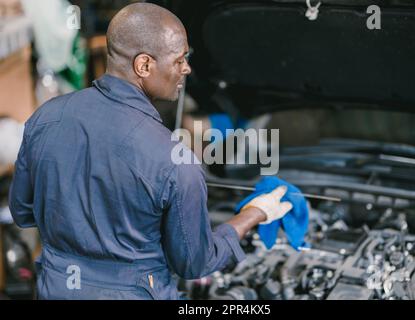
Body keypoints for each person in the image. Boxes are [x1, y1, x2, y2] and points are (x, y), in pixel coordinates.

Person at [8, 3, 293, 300]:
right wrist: (254, 213)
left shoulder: (45, 118)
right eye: (180, 59)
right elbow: (195, 263)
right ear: (144, 65)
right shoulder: (176, 162)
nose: (187, 68)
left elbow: (22, 212)